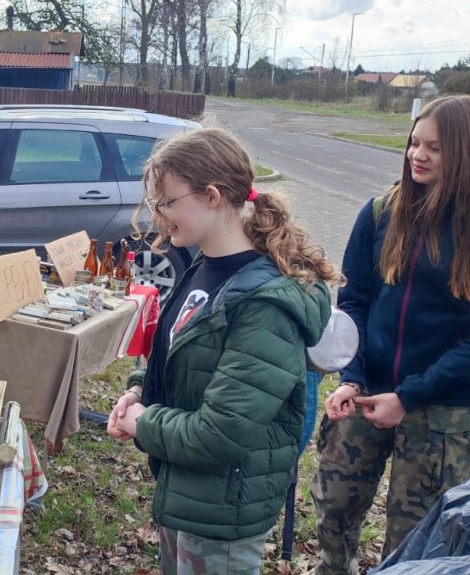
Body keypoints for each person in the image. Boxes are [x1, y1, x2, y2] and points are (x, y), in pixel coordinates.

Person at [106, 128, 337, 575]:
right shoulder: (205, 266)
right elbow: (184, 356)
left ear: (211, 196)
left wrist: (143, 422)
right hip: (190, 492)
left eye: (166, 201)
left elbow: (222, 432)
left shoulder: (264, 304)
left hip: (224, 510)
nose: (156, 215)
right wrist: (140, 390)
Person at [312, 95, 470, 573]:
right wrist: (353, 377)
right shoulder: (381, 212)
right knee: (334, 511)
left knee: (416, 544)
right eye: (414, 143)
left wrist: (407, 395)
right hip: (364, 395)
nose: (417, 155)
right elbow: (356, 300)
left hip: (439, 415)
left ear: (466, 155)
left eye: (436, 148)